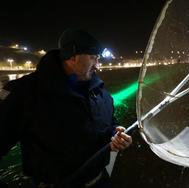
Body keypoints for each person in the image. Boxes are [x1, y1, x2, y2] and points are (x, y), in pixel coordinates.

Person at [0, 28, 132, 188]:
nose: (98, 65)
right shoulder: (26, 92)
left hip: (100, 181)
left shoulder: (101, 92)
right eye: (93, 58)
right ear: (73, 56)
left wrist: (115, 135)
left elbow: (109, 123)